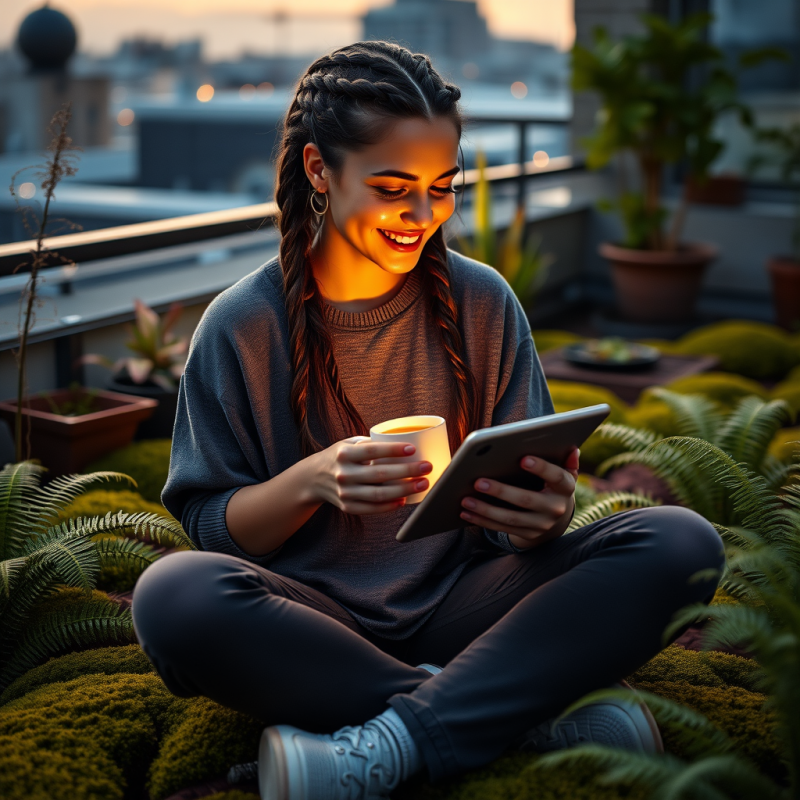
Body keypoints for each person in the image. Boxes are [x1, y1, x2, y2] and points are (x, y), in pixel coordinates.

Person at [131, 40, 726, 800]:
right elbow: (210, 528)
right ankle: (515, 714)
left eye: (441, 187)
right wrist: (312, 481)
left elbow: (515, 526)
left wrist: (539, 519)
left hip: (465, 604)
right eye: (392, 187)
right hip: (309, 625)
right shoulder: (242, 326)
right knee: (172, 596)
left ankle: (387, 740)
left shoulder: (481, 303)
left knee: (680, 542)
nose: (421, 215)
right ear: (319, 170)